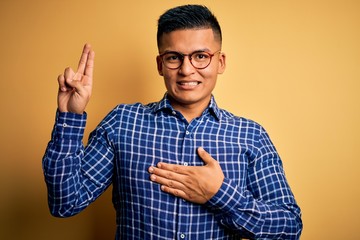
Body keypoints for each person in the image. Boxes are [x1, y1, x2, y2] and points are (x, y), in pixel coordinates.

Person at [43, 4, 302, 239]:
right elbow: (66, 203)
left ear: (220, 62)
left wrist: (219, 194)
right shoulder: (122, 123)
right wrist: (70, 115)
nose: (187, 69)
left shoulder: (251, 136)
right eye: (174, 57)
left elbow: (289, 228)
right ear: (160, 64)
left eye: (201, 56)